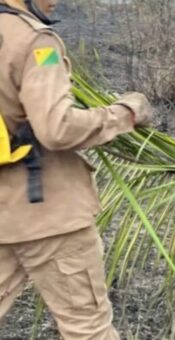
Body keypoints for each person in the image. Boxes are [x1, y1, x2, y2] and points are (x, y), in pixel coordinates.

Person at [0, 0, 152, 338]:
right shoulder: (37, 44)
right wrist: (124, 114)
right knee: (87, 328)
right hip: (48, 220)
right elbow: (58, 128)